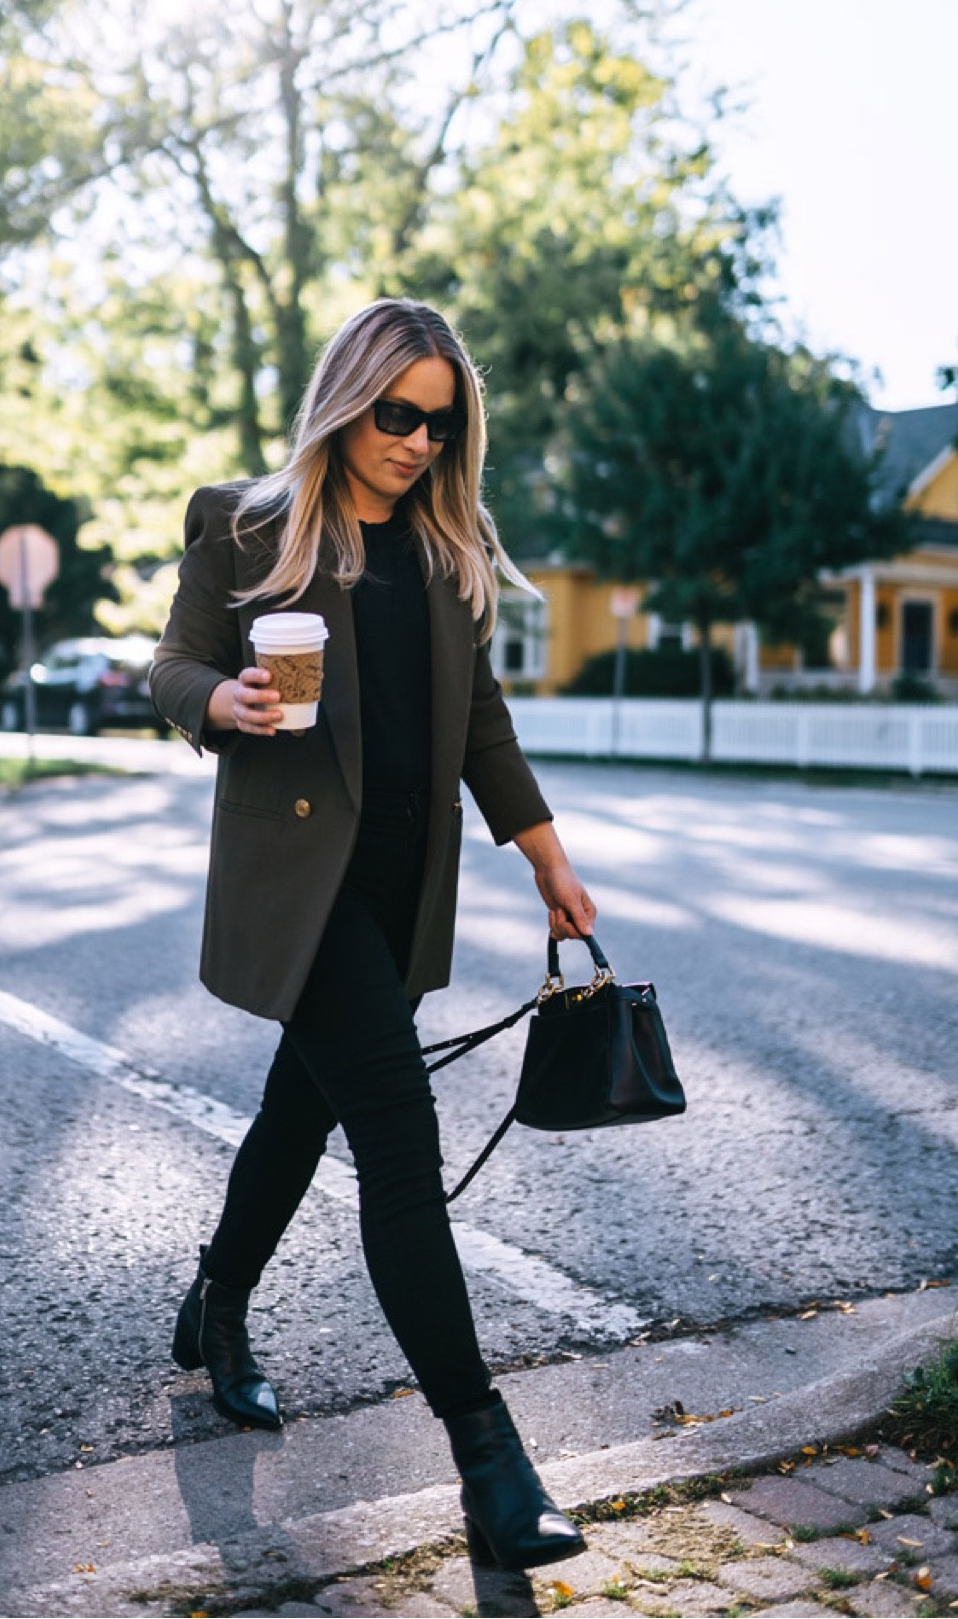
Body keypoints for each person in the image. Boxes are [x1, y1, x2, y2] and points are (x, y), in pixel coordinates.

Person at [150, 298, 596, 1574]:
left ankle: (217, 1300)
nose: (414, 441)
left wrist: (548, 859)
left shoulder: (449, 547)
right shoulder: (247, 527)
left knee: (302, 1110)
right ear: (346, 400)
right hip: (302, 884)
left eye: (438, 424)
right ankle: (490, 1464)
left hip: (401, 887)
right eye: (395, 414)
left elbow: (480, 721)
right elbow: (171, 667)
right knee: (399, 1146)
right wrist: (223, 702)